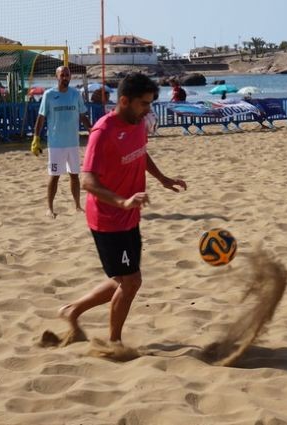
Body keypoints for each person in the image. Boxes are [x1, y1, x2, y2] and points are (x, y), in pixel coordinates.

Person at [58, 73, 187, 345]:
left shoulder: (138, 123)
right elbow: (87, 181)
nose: (148, 110)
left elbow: (141, 152)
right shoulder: (103, 131)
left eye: (151, 104)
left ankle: (73, 310)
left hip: (130, 215)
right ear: (125, 101)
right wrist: (122, 202)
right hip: (108, 219)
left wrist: (162, 179)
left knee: (123, 279)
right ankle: (114, 344)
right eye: (144, 104)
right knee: (131, 282)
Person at [31, 66, 92, 218]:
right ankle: (50, 208)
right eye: (62, 75)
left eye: (67, 75)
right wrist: (36, 138)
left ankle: (78, 206)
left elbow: (83, 115)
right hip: (56, 144)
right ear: (57, 77)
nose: (65, 77)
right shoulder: (49, 95)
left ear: (70, 77)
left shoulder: (75, 94)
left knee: (74, 175)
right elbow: (41, 117)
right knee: (55, 175)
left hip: (73, 142)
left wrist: (93, 131)